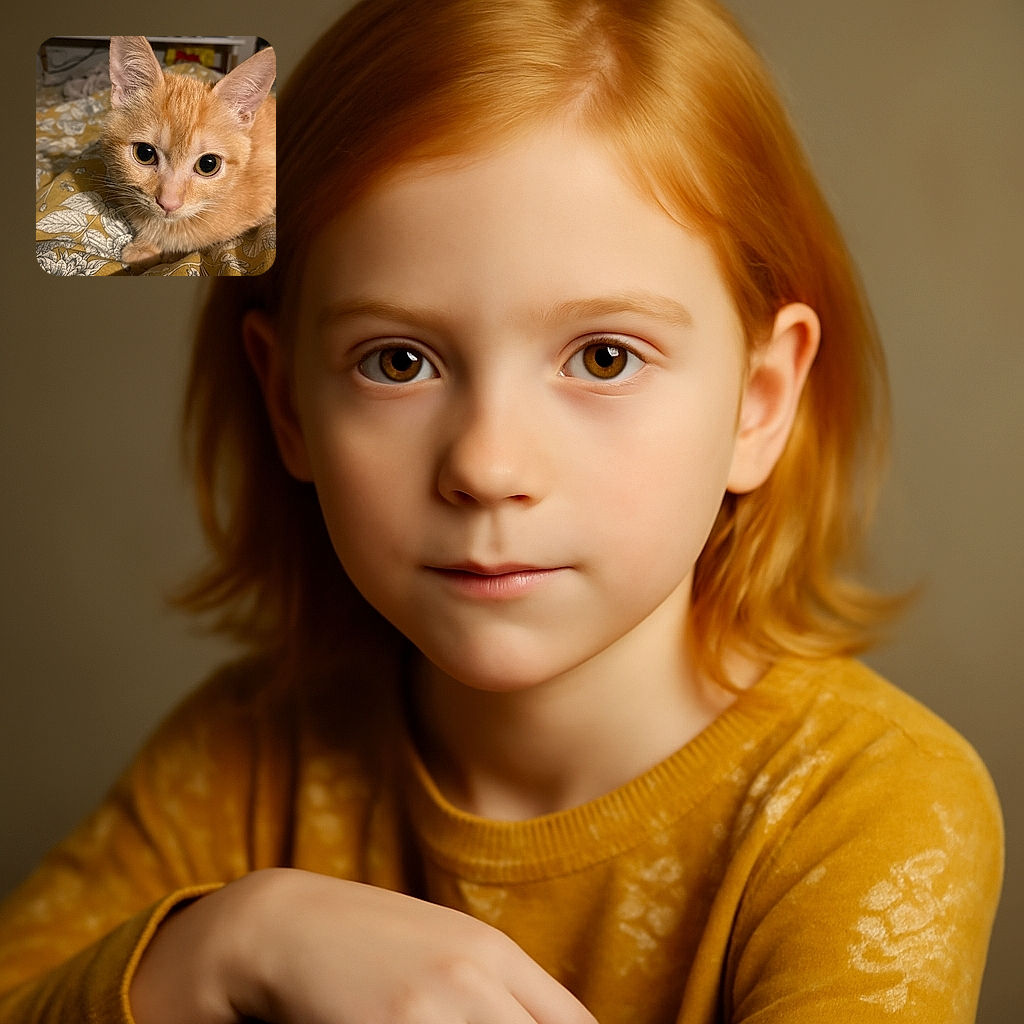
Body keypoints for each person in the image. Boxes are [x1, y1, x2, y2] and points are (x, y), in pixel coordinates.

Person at [0, 1, 1003, 1021]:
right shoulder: (242, 758)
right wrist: (225, 944)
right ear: (288, 402)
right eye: (398, 361)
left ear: (759, 400)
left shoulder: (868, 804)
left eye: (603, 357)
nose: (486, 465)